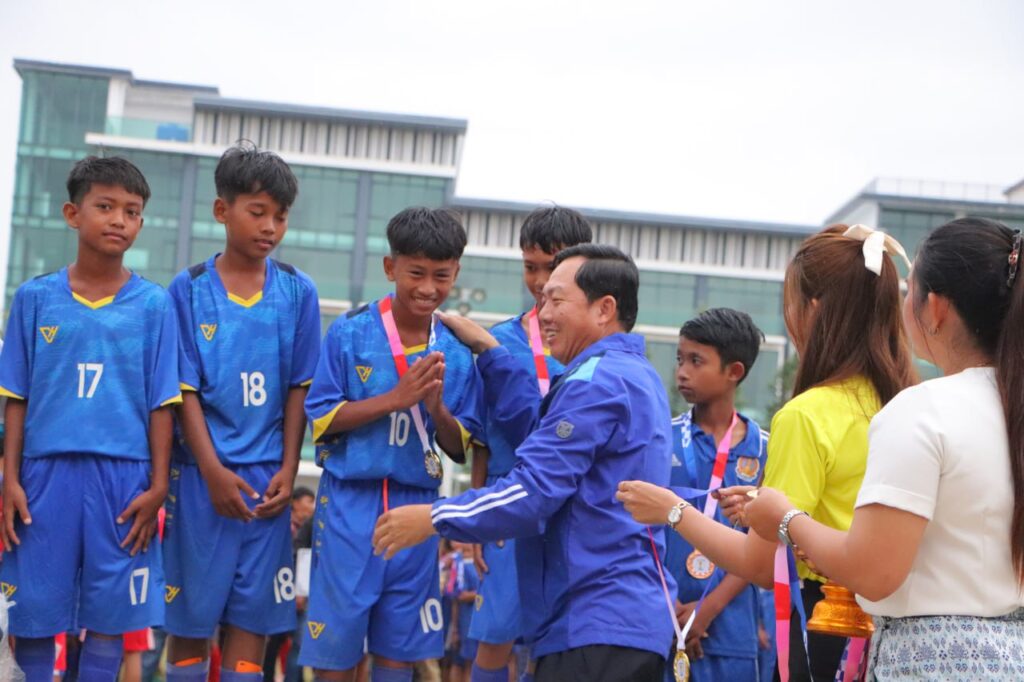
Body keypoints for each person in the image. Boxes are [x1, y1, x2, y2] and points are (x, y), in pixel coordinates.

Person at [616, 224, 917, 681]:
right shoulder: (904, 403)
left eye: (790, 303)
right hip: (891, 632)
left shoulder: (806, 415)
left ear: (814, 309)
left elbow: (760, 563)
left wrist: (673, 510)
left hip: (823, 626)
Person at [373, 244, 675, 682]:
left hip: (594, 623)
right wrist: (493, 352)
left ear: (604, 309)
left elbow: (533, 491)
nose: (543, 313)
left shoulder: (597, 382)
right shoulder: (633, 374)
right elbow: (540, 434)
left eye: (556, 300)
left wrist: (435, 517)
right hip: (618, 620)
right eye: (541, 298)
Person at [742, 217, 1024, 678]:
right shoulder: (1007, 406)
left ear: (935, 309)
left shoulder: (923, 409)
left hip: (929, 660)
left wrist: (786, 518)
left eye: (910, 291)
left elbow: (872, 572)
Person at [0, 156, 181, 682]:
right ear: (72, 213)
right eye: (105, 206)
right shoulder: (35, 298)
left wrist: (158, 486)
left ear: (141, 222)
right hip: (43, 476)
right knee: (34, 616)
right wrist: (9, 478)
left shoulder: (154, 305)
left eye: (132, 211)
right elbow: (16, 399)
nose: (119, 219)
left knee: (110, 620)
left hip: (124, 479)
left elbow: (162, 402)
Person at [299, 207, 484, 682]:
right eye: (416, 273)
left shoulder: (456, 351)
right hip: (350, 503)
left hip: (417, 506)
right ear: (390, 267)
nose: (428, 288)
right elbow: (321, 417)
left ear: (456, 273)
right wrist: (395, 399)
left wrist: (437, 408)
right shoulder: (350, 332)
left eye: (441, 276)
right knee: (336, 650)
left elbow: (459, 446)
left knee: (400, 651)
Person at [163, 143, 320, 682]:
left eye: (280, 216)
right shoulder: (187, 288)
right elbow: (182, 391)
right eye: (258, 212)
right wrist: (210, 470)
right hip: (200, 478)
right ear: (222, 210)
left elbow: (299, 389)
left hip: (266, 483)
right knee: (190, 622)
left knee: (252, 625)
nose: (270, 227)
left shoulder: (298, 291)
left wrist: (289, 468)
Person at [467, 206, 592, 682]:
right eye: (530, 266)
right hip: (510, 497)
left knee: (557, 640)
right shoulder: (495, 341)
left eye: (551, 267)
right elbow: (481, 440)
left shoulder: (592, 347)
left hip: (572, 506)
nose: (540, 281)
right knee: (495, 635)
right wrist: (476, 517)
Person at [666, 308, 768, 681]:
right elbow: (642, 531)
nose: (682, 371)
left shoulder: (766, 449)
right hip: (664, 621)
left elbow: (763, 545)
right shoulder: (662, 439)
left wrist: (706, 610)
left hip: (732, 631)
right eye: (680, 359)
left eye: (696, 361)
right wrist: (669, 604)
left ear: (734, 371)